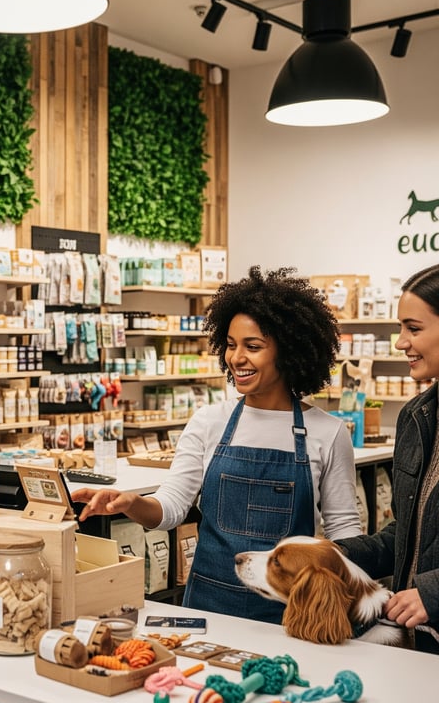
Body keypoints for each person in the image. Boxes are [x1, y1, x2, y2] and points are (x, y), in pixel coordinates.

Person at [72, 266, 361, 623]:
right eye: (230, 344)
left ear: (289, 351)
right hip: (209, 607)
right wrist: (130, 503)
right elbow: (172, 507)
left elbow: (345, 534)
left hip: (291, 615)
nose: (236, 358)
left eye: (252, 347)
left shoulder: (327, 432)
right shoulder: (210, 421)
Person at [337, 264, 439, 654]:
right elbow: (407, 534)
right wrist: (341, 553)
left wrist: (432, 592)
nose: (400, 343)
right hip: (417, 645)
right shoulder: (416, 418)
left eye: (413, 329)